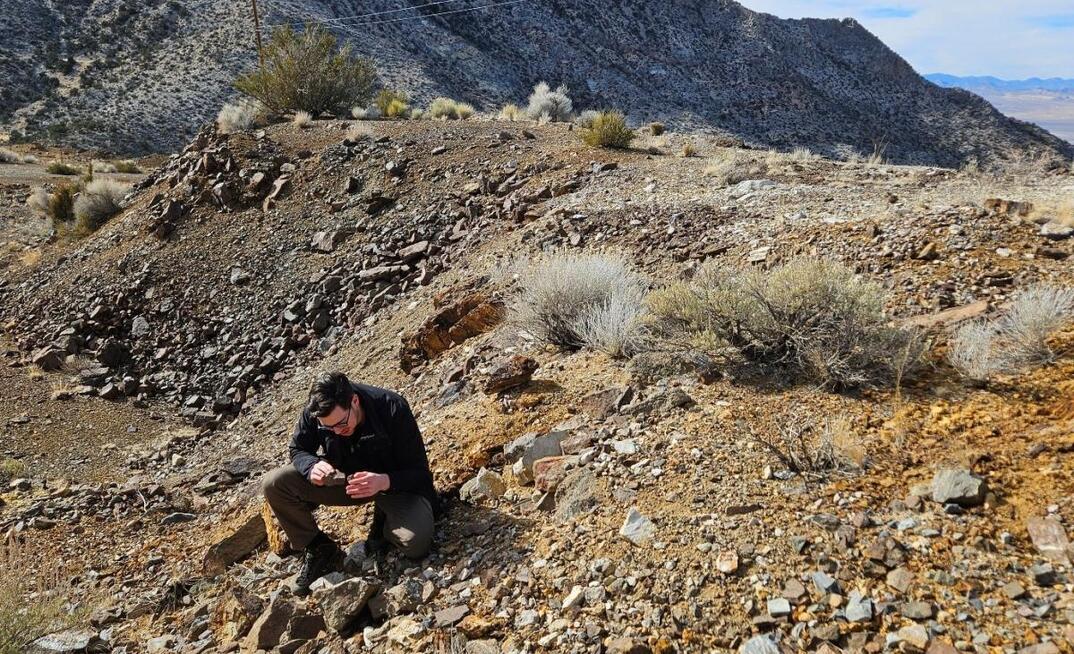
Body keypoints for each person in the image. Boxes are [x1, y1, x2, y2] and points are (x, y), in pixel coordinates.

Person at [261, 371, 438, 596]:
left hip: (392, 485)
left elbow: (420, 474)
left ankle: (384, 519)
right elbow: (298, 449)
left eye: (341, 424)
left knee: (416, 544)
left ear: (354, 400)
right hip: (346, 481)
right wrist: (311, 465)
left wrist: (384, 482)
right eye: (329, 428)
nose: (337, 431)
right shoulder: (317, 412)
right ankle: (319, 547)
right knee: (275, 484)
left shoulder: (392, 408)